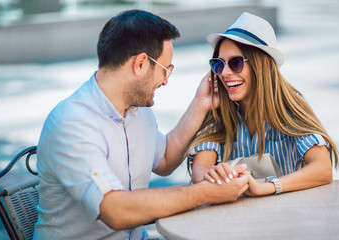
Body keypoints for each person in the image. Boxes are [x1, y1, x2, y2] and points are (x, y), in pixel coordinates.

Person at [33, 9, 249, 240]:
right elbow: (115, 209)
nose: (166, 81)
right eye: (166, 70)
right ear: (141, 64)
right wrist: (206, 193)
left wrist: (200, 104)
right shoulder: (72, 123)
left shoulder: (137, 112)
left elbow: (164, 161)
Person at [186, 12, 339, 196]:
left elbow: (323, 169)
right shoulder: (217, 110)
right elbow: (199, 172)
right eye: (219, 64)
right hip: (231, 220)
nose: (224, 73)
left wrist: (266, 186)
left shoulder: (289, 107)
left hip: (287, 217)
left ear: (261, 65)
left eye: (235, 63)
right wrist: (214, 175)